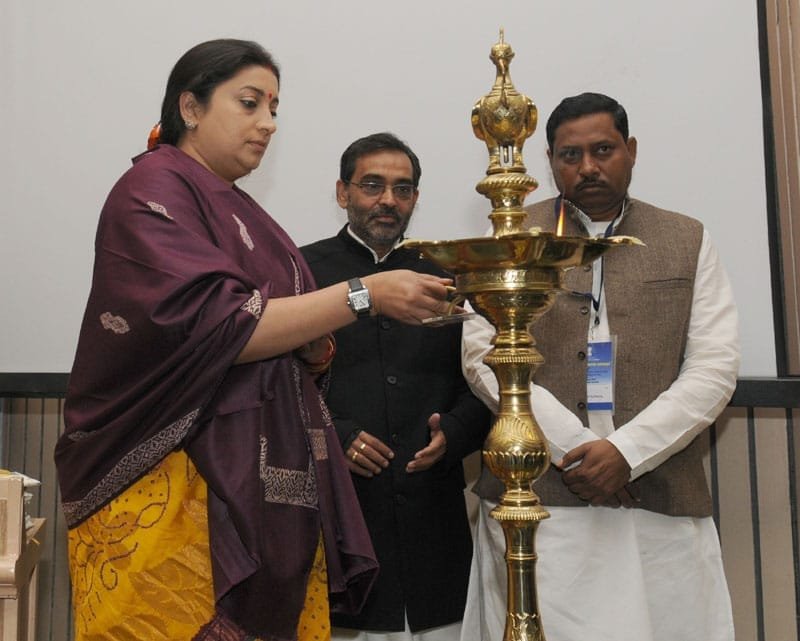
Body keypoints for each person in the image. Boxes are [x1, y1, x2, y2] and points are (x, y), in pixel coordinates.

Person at [54, 40, 458, 641]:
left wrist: (311, 347)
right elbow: (224, 327)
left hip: (259, 486)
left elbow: (277, 327)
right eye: (249, 103)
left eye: (274, 107)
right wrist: (363, 295)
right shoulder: (154, 191)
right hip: (173, 488)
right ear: (190, 107)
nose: (268, 123)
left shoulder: (239, 208)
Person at [460, 92, 740, 641]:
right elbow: (483, 355)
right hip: (539, 496)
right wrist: (574, 452)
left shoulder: (687, 237)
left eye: (603, 149)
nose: (587, 167)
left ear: (631, 151)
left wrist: (626, 453)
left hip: (658, 499)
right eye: (569, 155)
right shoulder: (511, 238)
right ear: (549, 160)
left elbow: (714, 367)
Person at [301, 133, 491, 641]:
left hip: (436, 524)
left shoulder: (450, 277)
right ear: (342, 193)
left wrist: (455, 432)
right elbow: (272, 383)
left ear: (415, 199)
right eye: (372, 185)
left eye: (402, 189)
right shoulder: (300, 274)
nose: (388, 199)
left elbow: (486, 382)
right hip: (338, 523)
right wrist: (335, 435)